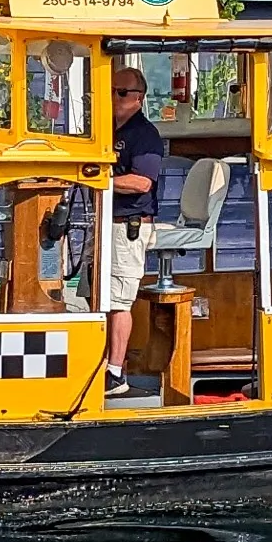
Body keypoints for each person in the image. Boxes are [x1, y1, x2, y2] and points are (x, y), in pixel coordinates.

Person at [103, 66, 169, 394]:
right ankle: (101, 365)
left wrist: (101, 182)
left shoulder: (146, 136)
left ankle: (115, 374)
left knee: (119, 300)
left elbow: (142, 181)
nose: (113, 96)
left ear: (138, 99)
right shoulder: (106, 129)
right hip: (104, 225)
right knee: (100, 297)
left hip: (127, 227)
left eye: (120, 92)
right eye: (110, 89)